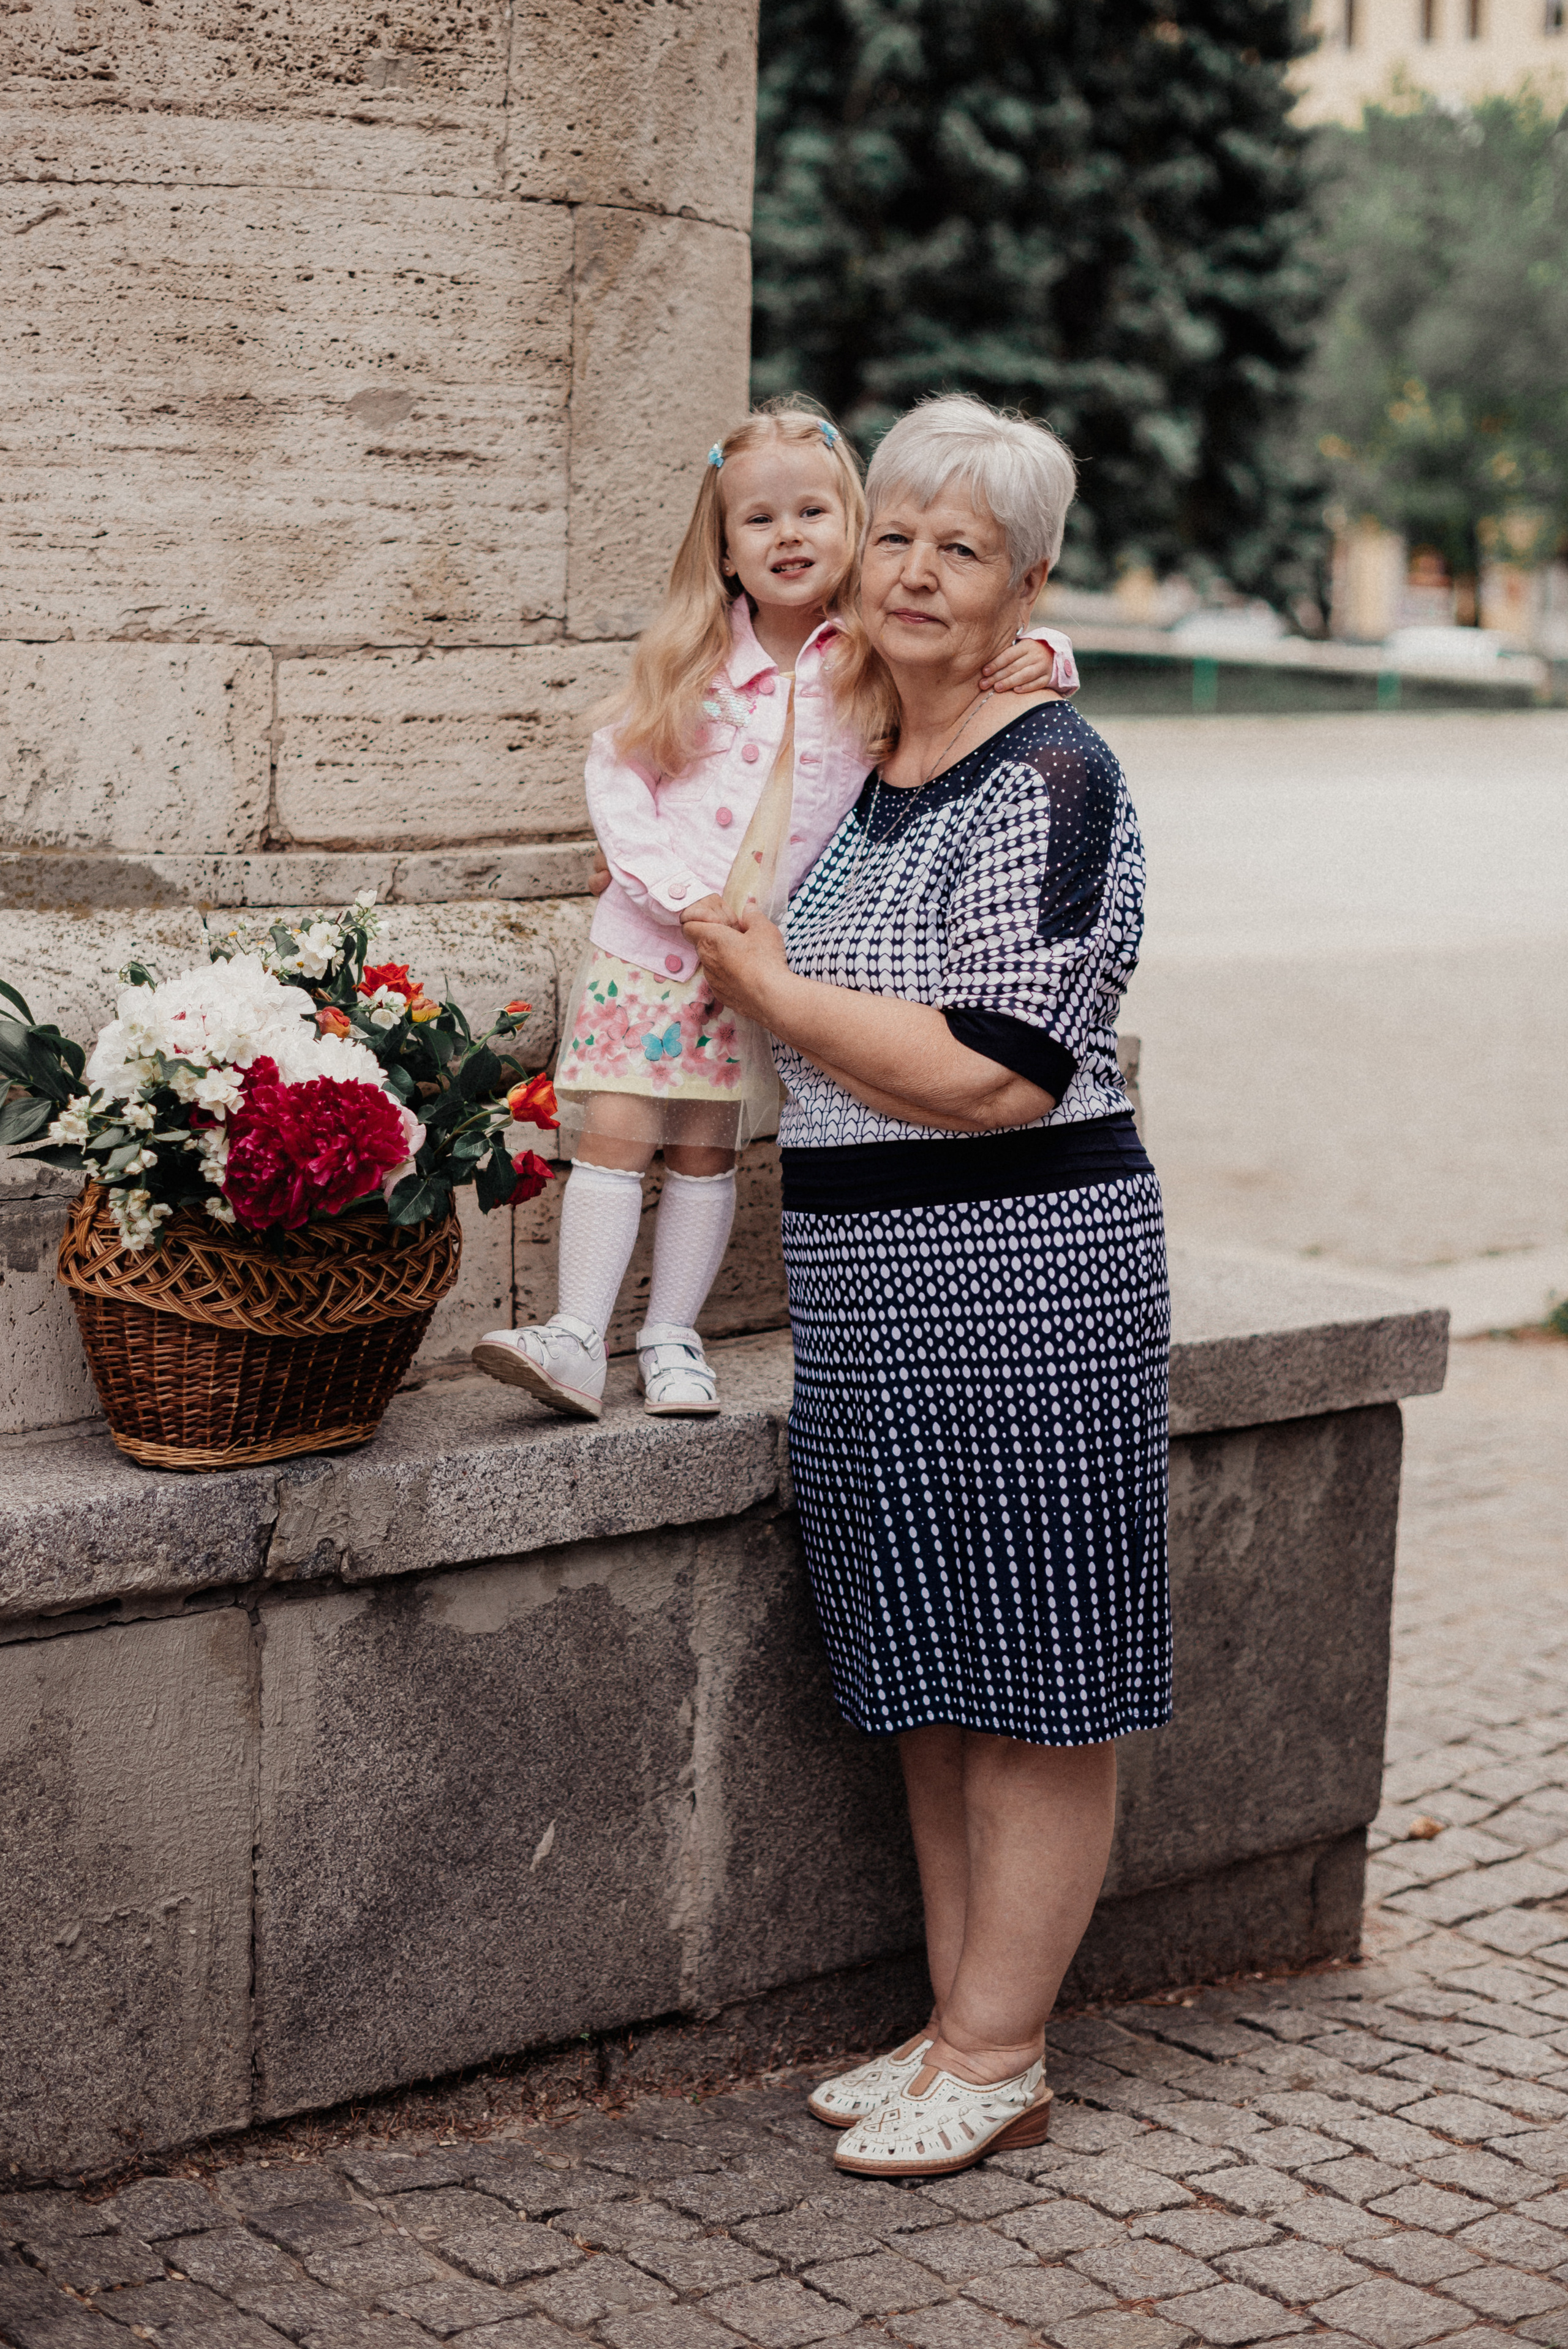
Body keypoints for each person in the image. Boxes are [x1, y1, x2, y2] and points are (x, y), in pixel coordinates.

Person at [683, 393, 1170, 2178]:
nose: (909, 568)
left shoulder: (1059, 775)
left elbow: (1000, 1065)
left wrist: (778, 997)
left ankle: (1001, 2046)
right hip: (871, 1277)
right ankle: (965, 2016)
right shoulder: (868, 756)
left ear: (1029, 583)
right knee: (927, 1659)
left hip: (1027, 1270)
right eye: (895, 532)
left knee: (1036, 1667)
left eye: (962, 549)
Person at [471, 404, 1076, 1423]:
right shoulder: (694, 657)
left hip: (760, 960)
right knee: (616, 1130)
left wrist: (1051, 653)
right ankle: (577, 1333)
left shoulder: (870, 656)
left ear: (852, 527)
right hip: (651, 945)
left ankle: (672, 1334)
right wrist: (668, 887)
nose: (788, 536)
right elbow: (617, 774)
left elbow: (980, 645)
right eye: (759, 521)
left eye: (812, 513)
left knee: (708, 1149)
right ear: (722, 547)